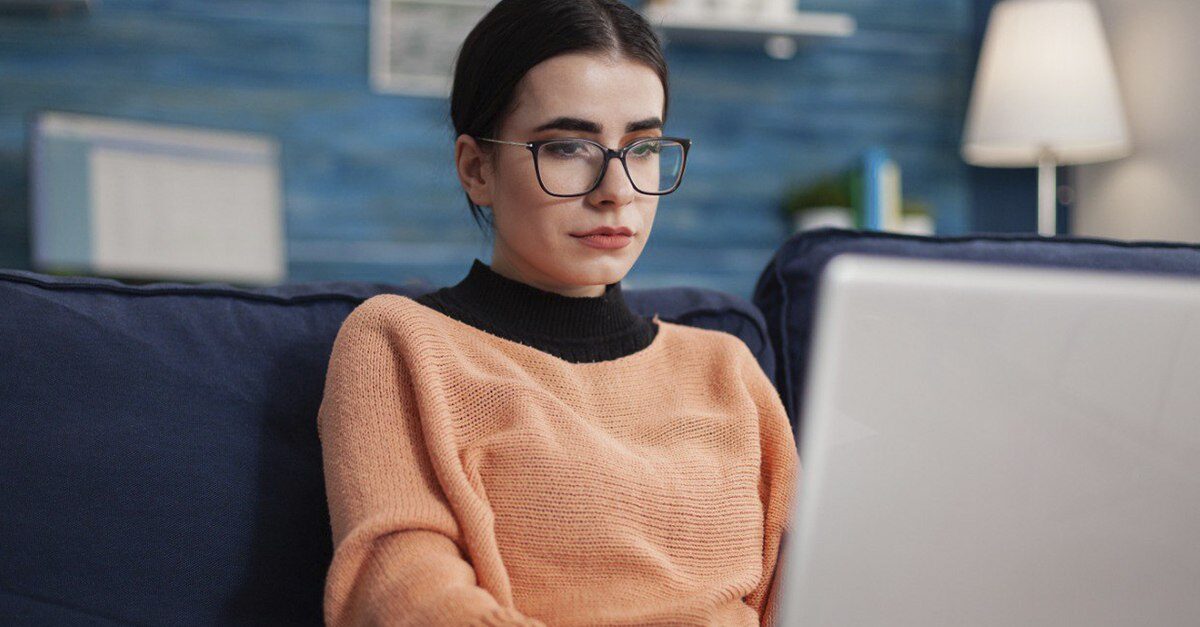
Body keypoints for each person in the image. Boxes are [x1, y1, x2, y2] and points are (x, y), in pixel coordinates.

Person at [316, 0, 800, 624]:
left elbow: (806, 592)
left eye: (643, 147)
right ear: (475, 168)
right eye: (569, 147)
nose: (616, 191)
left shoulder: (726, 367)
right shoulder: (402, 344)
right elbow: (402, 590)